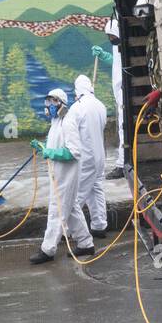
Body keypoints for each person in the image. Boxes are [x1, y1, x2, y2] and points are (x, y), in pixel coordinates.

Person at [29, 88, 95, 265]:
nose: (49, 105)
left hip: (66, 176)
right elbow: (56, 145)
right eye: (48, 102)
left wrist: (49, 152)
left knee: (57, 211)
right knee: (71, 208)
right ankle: (86, 243)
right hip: (58, 175)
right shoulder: (56, 122)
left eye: (53, 102)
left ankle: (48, 249)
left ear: (61, 104)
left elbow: (74, 152)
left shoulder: (68, 121)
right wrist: (43, 147)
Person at [71, 73, 108, 239]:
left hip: (86, 158)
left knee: (77, 195)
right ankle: (99, 226)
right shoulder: (101, 105)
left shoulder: (77, 107)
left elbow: (71, 131)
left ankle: (69, 230)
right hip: (100, 156)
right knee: (96, 189)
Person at [103, 13, 126, 179]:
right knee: (121, 129)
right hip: (119, 93)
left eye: (113, 36)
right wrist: (105, 57)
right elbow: (116, 62)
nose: (111, 39)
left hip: (124, 92)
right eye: (109, 37)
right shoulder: (116, 46)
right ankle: (122, 163)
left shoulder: (125, 44)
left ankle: (122, 164)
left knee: (123, 129)